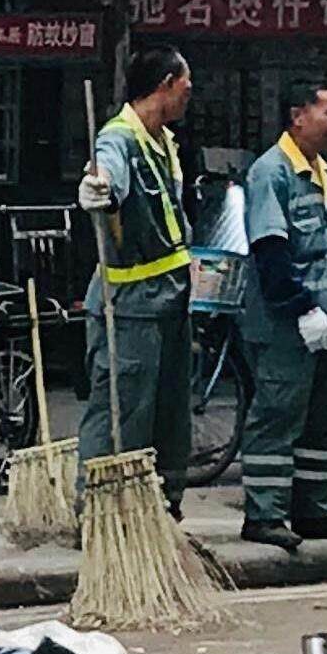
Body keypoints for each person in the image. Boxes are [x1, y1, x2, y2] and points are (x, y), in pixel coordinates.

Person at [236, 82, 327, 552]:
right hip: (285, 326)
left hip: (326, 322)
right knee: (276, 417)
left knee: (323, 420)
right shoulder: (272, 172)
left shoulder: (321, 171)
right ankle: (264, 514)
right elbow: (271, 253)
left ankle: (316, 511)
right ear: (298, 115)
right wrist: (303, 309)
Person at [76, 42, 198, 513]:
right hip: (131, 304)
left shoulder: (163, 141)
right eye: (185, 87)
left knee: (169, 416)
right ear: (165, 85)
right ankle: (101, 515)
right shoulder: (119, 137)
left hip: (170, 301)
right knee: (121, 413)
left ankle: (161, 509)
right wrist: (98, 190)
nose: (190, 96)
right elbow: (108, 177)